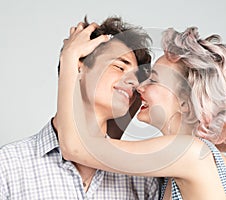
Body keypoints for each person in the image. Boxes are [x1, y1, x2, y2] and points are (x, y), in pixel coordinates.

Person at [57, 25, 226, 199]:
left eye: (153, 80)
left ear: (185, 102)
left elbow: (75, 148)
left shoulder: (186, 153)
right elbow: (108, 145)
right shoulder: (203, 163)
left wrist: (70, 59)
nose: (140, 87)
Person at [0, 17, 161, 199]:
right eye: (119, 66)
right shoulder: (8, 166)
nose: (133, 82)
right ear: (79, 66)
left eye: (137, 77)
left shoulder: (142, 181)